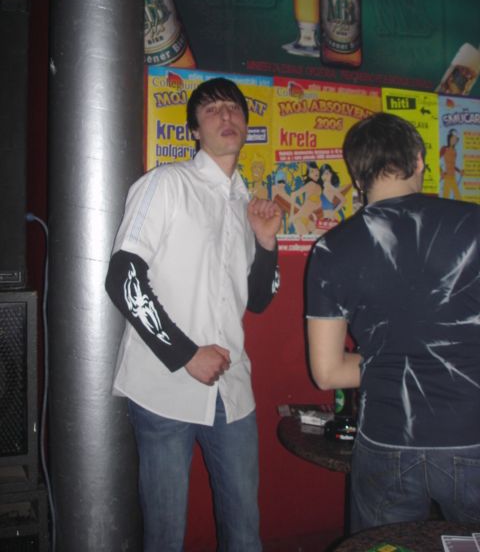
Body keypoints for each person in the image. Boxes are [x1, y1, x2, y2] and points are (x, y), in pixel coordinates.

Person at [105, 77, 282, 552]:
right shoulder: (166, 183)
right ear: (194, 131)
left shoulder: (247, 204)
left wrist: (266, 244)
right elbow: (123, 278)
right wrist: (186, 354)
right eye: (212, 110)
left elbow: (258, 300)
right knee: (165, 538)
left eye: (234, 108)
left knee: (245, 534)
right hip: (164, 390)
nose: (226, 116)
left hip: (232, 390)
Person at [305, 112, 480, 532]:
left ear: (357, 176)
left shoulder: (331, 248)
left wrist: (389, 361)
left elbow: (327, 373)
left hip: (388, 439)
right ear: (419, 160)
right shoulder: (474, 224)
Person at [440, 128, 463, 200]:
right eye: (453, 138)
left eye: (456, 139)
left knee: (457, 196)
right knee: (446, 196)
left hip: (453, 176)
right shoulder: (444, 148)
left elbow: (453, 165)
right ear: (449, 138)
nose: (454, 141)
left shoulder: (454, 151)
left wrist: (459, 171)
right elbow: (437, 160)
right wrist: (441, 172)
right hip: (446, 176)